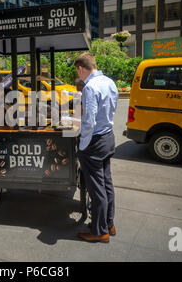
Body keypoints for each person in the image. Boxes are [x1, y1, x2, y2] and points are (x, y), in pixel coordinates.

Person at [74, 52, 118, 243]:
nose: (79, 77)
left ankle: (100, 232)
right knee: (106, 183)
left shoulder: (90, 87)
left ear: (81, 68)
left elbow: (89, 121)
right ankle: (109, 223)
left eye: (78, 73)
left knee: (96, 188)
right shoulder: (109, 82)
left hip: (94, 141)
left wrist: (82, 146)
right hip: (108, 137)